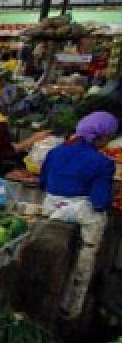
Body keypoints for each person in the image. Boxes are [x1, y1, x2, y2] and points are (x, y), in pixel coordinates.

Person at [40, 111, 120, 319]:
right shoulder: (102, 163)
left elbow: (42, 183)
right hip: (81, 215)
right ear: (101, 137)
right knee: (84, 260)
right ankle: (71, 308)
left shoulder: (55, 152)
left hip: (51, 208)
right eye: (108, 138)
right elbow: (100, 202)